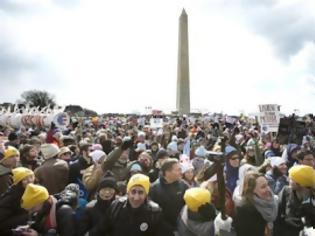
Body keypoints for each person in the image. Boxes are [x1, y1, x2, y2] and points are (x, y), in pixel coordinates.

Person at [92, 173, 172, 236]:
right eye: (133, 192)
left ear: (146, 194)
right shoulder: (116, 207)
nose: (136, 197)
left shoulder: (154, 212)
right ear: (128, 192)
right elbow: (100, 230)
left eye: (140, 192)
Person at [274, 165, 315, 236]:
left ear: (299, 183)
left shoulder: (312, 197)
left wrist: (306, 202)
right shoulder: (286, 191)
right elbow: (278, 215)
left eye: (291, 179)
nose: (287, 180)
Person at [149, 158, 188, 233]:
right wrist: (170, 230)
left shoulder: (183, 185)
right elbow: (153, 214)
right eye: (178, 170)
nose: (181, 172)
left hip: (181, 229)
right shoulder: (154, 189)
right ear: (167, 172)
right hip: (162, 231)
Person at [233, 171, 278, 236]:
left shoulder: (273, 202)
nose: (268, 189)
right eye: (263, 187)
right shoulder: (244, 211)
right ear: (252, 191)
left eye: (267, 185)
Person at [79, 171, 118, 236]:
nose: (107, 192)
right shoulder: (90, 209)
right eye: (104, 189)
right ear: (98, 191)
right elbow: (83, 232)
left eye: (110, 189)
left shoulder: (119, 207)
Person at [0, 167, 34, 236]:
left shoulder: (27, 190)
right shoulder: (14, 195)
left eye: (31, 177)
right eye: (24, 179)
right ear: (19, 182)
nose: (29, 181)